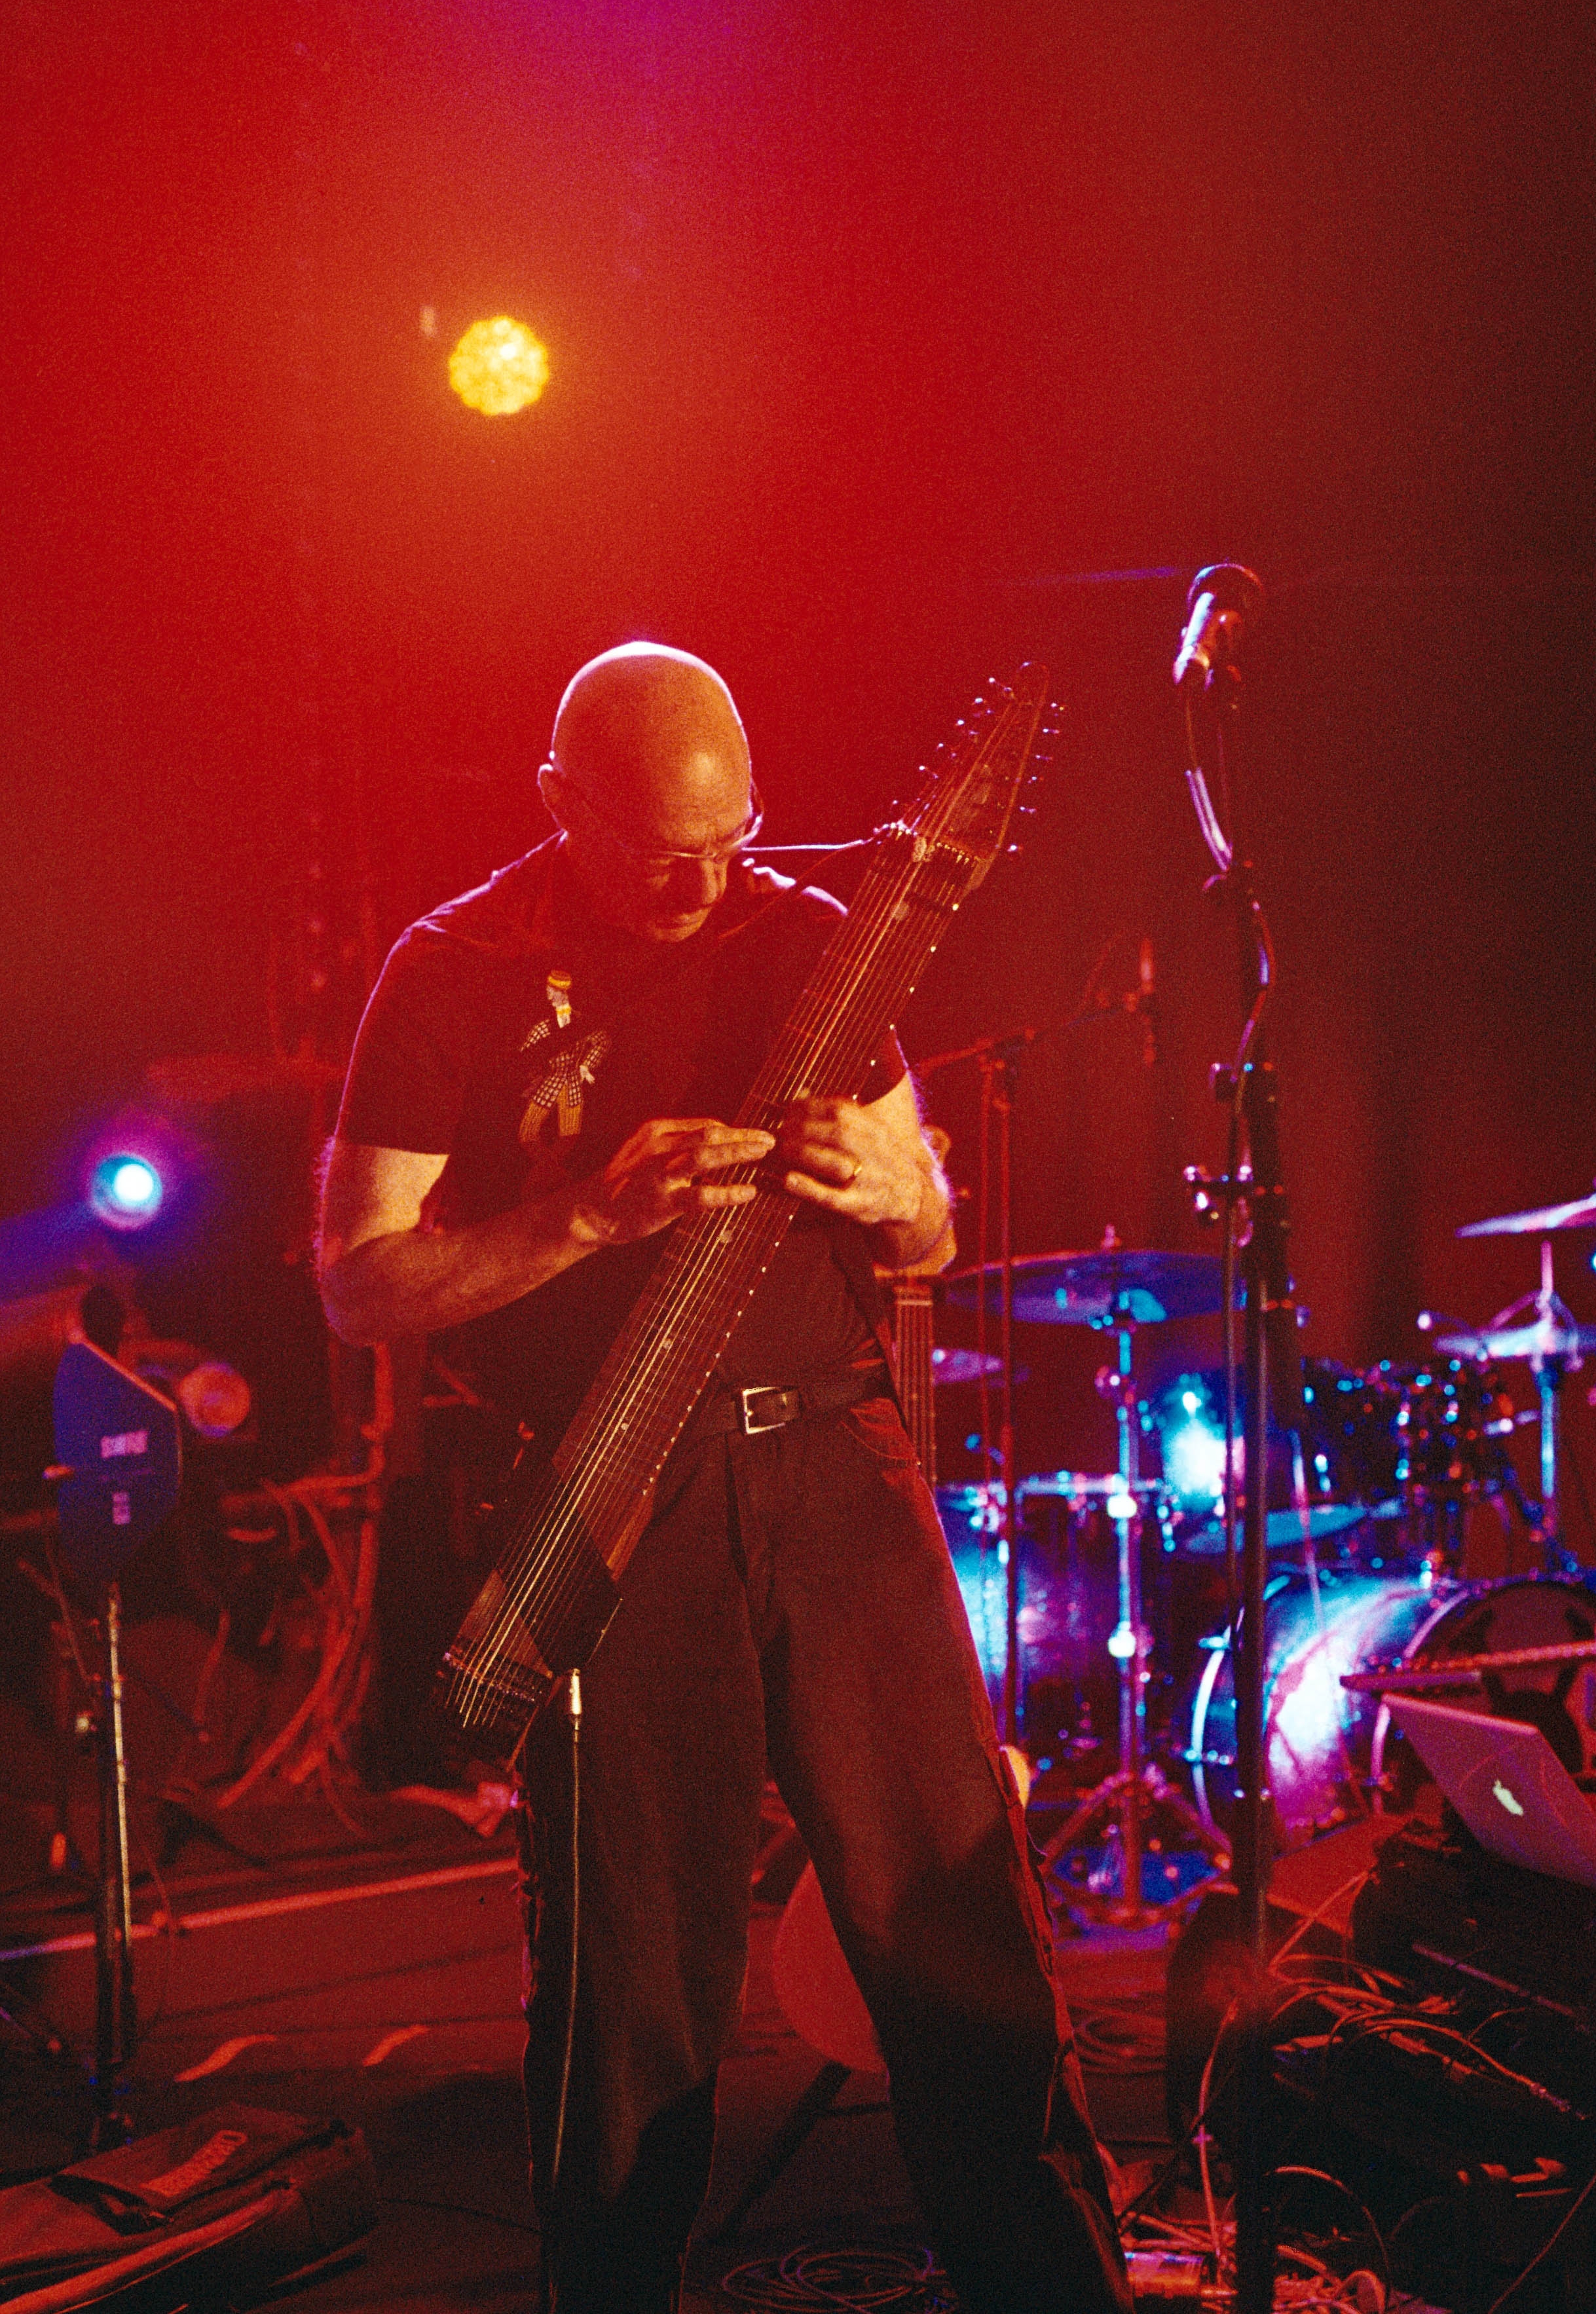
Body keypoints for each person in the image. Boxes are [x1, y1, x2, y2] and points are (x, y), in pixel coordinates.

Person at [317, 643, 1132, 2314]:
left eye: (730, 838)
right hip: (623, 1494)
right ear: (560, 803)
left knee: (959, 1930)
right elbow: (356, 1281)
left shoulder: (812, 941)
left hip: (836, 1460)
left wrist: (894, 1197)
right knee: (632, 1985)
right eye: (661, 850)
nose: (703, 883)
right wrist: (584, 1218)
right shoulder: (454, 968)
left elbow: (930, 1235)